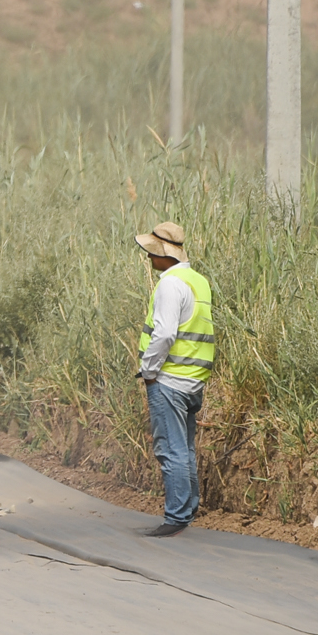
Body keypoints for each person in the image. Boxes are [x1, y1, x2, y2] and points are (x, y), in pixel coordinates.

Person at [133, 221, 214, 537]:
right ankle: (188, 508)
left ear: (166, 255)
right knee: (186, 448)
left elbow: (165, 333)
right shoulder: (198, 281)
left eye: (153, 253)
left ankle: (177, 516)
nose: (150, 258)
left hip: (170, 378)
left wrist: (150, 372)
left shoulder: (169, 284)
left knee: (171, 449)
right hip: (194, 379)